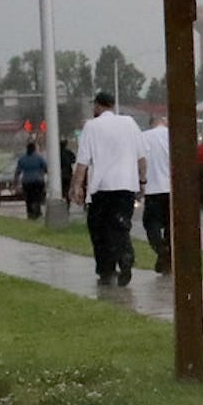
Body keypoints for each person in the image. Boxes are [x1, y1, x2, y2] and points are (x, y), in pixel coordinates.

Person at [68, 92, 146, 286]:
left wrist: (76, 187)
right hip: (126, 186)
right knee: (120, 225)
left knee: (99, 229)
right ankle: (125, 255)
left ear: (97, 106)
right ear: (112, 105)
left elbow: (83, 162)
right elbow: (141, 157)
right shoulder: (129, 123)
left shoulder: (91, 126)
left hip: (102, 188)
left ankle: (106, 269)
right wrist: (142, 181)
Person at [141, 116, 172, 273]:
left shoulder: (143, 137)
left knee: (151, 224)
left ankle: (161, 250)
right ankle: (169, 255)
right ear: (164, 122)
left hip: (151, 188)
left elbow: (139, 160)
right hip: (170, 188)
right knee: (170, 224)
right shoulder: (171, 135)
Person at [15, 141, 48, 220]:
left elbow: (18, 172)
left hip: (26, 182)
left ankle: (30, 212)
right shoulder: (39, 158)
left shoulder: (22, 159)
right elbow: (46, 168)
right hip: (38, 181)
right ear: (34, 149)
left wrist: (15, 182)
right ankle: (37, 210)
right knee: (37, 197)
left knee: (29, 198)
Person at [60, 139, 77, 210]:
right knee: (67, 189)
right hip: (67, 174)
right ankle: (67, 204)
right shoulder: (68, 152)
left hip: (60, 175)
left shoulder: (57, 153)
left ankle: (64, 202)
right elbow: (74, 159)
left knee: (62, 190)